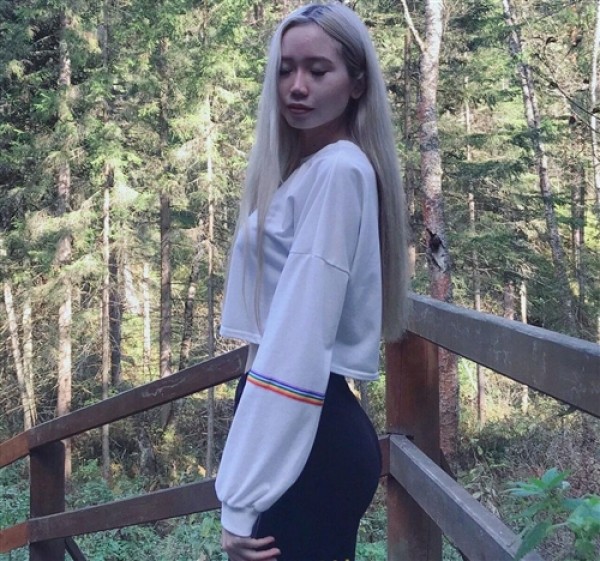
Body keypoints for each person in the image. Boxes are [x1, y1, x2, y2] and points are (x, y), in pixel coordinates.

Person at [215, 3, 409, 560]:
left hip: (307, 437)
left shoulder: (339, 170)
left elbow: (297, 342)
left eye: (318, 70)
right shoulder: (311, 169)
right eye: (285, 69)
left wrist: (242, 500)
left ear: (356, 83)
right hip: (307, 430)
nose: (296, 86)